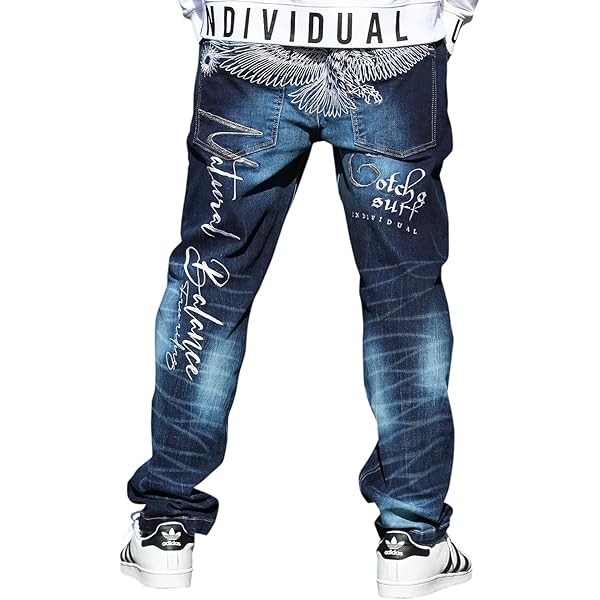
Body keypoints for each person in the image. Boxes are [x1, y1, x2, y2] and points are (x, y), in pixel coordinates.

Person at [120, 1, 479, 596]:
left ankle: (167, 524)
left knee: (212, 280)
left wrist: (204, 11)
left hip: (247, 34)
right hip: (394, 41)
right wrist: (448, 15)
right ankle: (412, 536)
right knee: (404, 293)